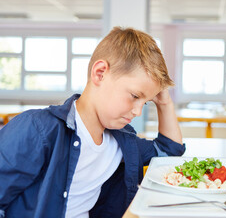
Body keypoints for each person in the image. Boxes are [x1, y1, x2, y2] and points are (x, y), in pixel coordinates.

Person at [0, 27, 185, 218]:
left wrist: (164, 103)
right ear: (100, 73)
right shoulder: (37, 129)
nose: (138, 111)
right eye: (134, 96)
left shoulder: (122, 141)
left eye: (145, 102)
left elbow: (169, 151)